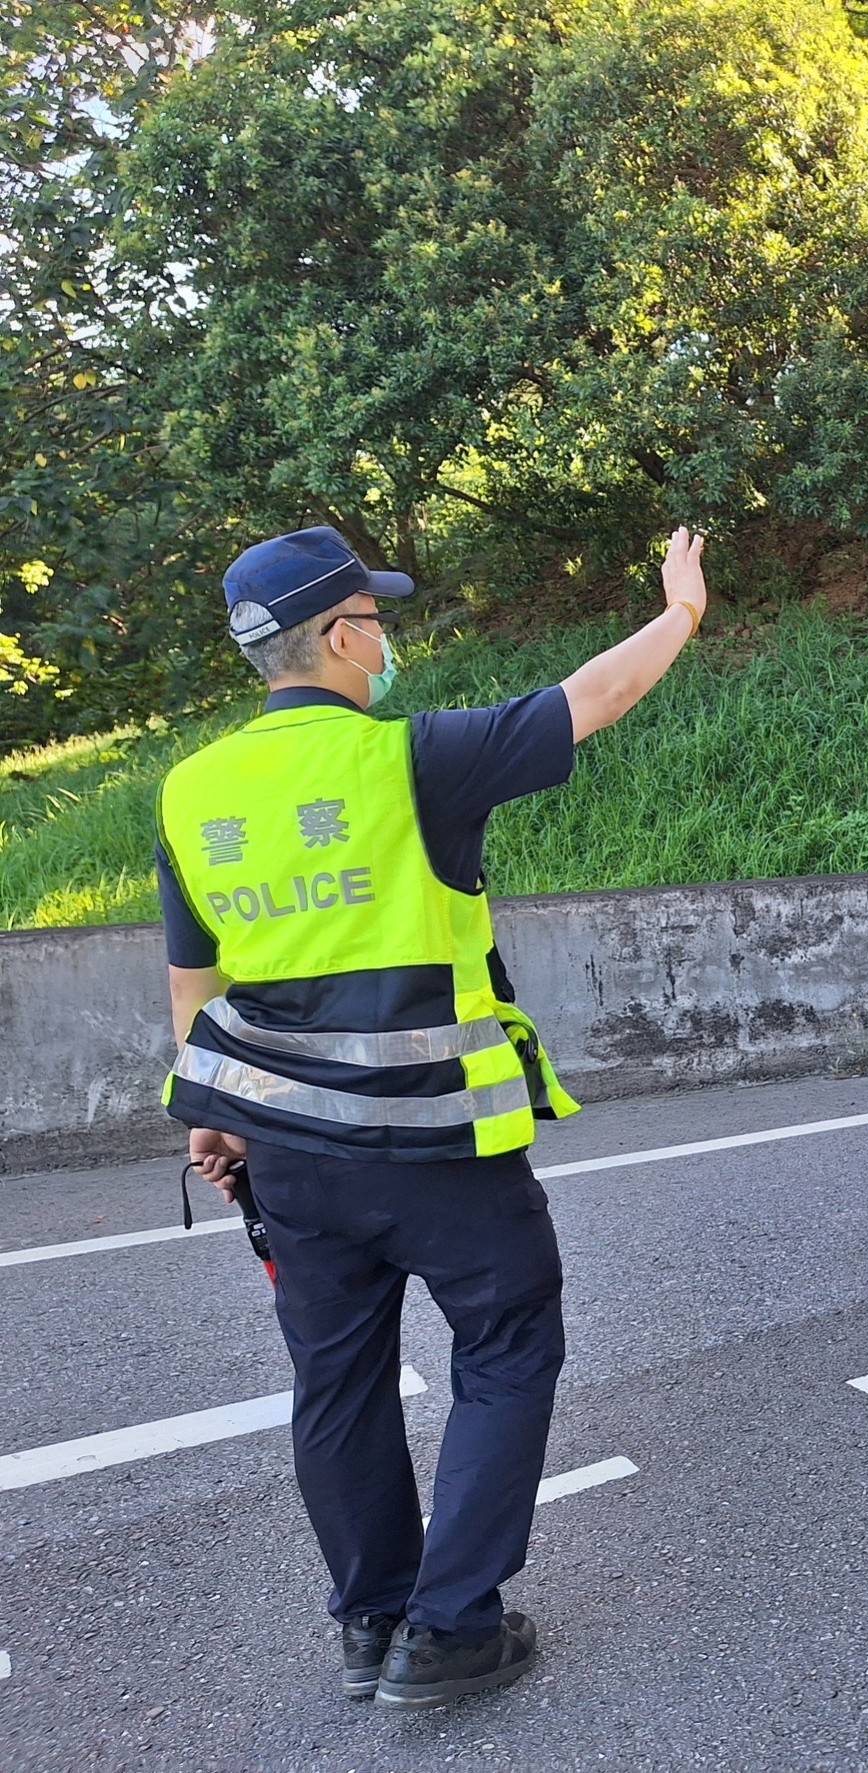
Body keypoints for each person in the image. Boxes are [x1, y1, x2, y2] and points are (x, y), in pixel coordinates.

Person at [159, 524, 709, 1709]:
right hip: (437, 1148)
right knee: (507, 1349)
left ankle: (370, 1626)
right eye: (377, 618)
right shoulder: (412, 759)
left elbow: (194, 981)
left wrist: (212, 1112)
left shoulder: (192, 792)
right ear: (344, 635)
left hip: (290, 1161)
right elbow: (589, 698)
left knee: (337, 1381)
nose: (385, 638)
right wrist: (680, 615)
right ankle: (452, 1629)